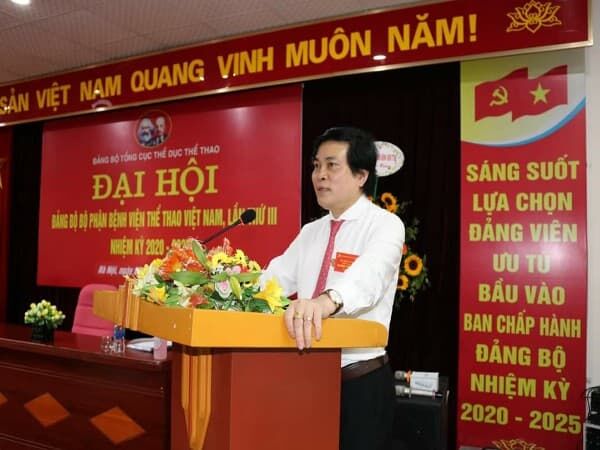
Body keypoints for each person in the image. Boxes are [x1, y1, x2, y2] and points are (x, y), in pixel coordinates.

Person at [261, 126, 405, 450]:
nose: (320, 175)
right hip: (307, 382)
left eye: (331, 165)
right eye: (316, 166)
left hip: (359, 386)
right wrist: (225, 284)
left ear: (361, 175)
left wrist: (325, 302)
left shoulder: (384, 225)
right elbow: (273, 281)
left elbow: (369, 278)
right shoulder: (311, 232)